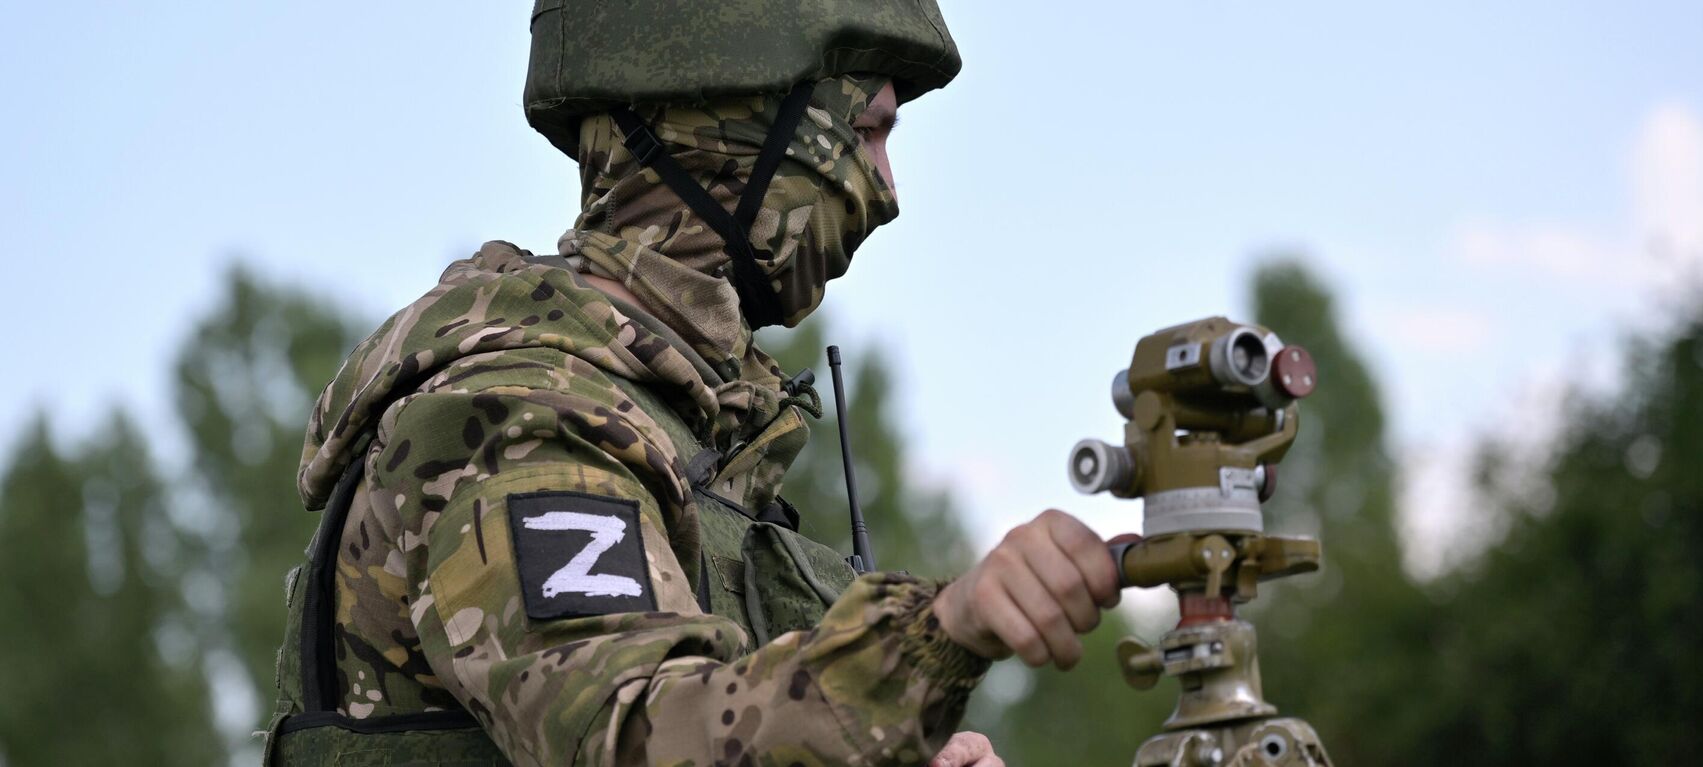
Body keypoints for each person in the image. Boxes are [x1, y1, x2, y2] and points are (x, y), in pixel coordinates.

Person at [263, 3, 1123, 765]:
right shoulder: (514, 418)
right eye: (868, 133)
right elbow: (637, 736)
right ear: (740, 129)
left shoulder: (694, 434)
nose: (888, 191)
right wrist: (938, 638)